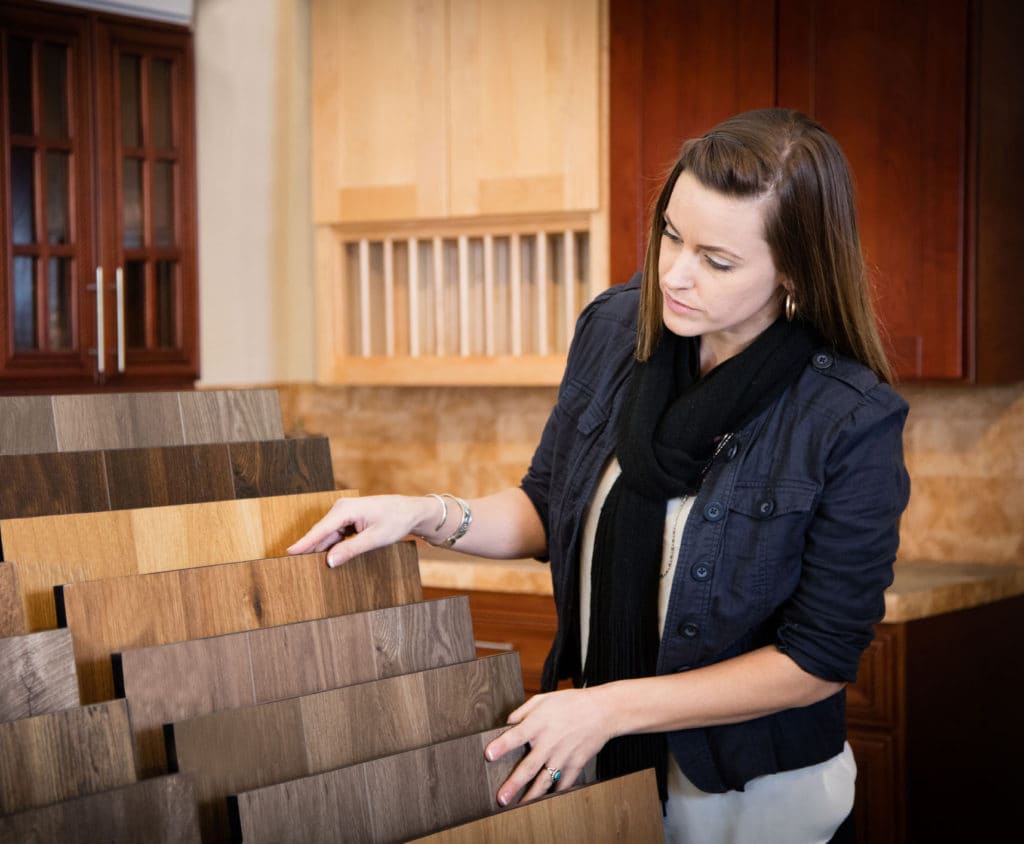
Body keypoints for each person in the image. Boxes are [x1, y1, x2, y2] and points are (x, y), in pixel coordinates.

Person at [288, 108, 910, 843]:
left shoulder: (847, 417)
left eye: (718, 260)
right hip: (599, 772)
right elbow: (549, 506)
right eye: (672, 235)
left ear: (796, 270)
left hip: (755, 800)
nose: (675, 274)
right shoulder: (619, 329)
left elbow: (818, 660)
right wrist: (425, 513)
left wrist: (610, 706)